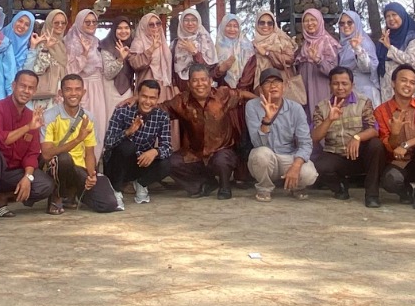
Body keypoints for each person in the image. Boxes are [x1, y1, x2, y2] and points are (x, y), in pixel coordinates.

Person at [167, 64, 253, 200]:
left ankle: (224, 186)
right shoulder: (181, 101)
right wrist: (137, 99)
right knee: (169, 162)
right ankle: (204, 183)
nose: (200, 84)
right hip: (195, 154)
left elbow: (242, 94)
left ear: (210, 81)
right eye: (195, 80)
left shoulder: (222, 94)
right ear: (189, 83)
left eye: (203, 79)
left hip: (221, 151)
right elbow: (160, 109)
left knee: (222, 160)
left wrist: (260, 102)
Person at [0, 68, 57, 208]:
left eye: (31, 88)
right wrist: (27, 127)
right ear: (13, 86)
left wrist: (27, 177)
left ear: (34, 91)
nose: (26, 91)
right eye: (23, 86)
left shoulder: (30, 116)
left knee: (45, 185)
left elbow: (32, 154)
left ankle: (2, 198)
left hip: (11, 174)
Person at [311, 67, 383, 205]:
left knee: (376, 145)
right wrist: (329, 120)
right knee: (318, 167)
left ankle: (372, 195)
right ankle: (340, 188)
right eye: (335, 83)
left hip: (359, 155)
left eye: (344, 83)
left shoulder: (363, 102)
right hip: (336, 154)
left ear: (352, 85)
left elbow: (374, 130)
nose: (340, 87)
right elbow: (315, 137)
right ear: (330, 85)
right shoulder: (322, 107)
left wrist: (357, 138)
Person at [43, 73, 116, 212]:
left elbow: (89, 153)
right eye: (68, 89)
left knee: (108, 204)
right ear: (61, 93)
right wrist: (77, 139)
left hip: (79, 169)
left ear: (83, 92)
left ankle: (73, 194)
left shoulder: (88, 118)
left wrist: (91, 175)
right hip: (56, 167)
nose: (73, 93)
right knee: (64, 159)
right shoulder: (50, 116)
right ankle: (57, 197)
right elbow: (46, 154)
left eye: (77, 89)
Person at [243, 68, 317, 202]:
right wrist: (266, 120)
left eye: (277, 82)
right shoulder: (252, 106)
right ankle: (264, 188)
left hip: (289, 156)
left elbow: (306, 143)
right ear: (261, 89)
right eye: (267, 83)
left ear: (284, 86)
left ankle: (295, 186)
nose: (273, 86)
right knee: (260, 155)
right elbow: (258, 144)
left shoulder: (296, 108)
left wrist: (295, 166)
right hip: (268, 157)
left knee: (309, 174)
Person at [373, 65, 415, 208]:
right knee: (390, 181)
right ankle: (406, 191)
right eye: (404, 80)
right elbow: (387, 145)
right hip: (398, 162)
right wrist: (395, 134)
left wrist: (406, 144)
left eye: (412, 82)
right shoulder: (381, 111)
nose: (408, 85)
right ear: (393, 83)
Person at [103, 79, 176, 204]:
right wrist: (128, 131)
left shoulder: (161, 116)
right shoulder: (122, 111)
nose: (148, 102)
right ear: (138, 95)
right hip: (117, 164)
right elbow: (108, 143)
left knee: (168, 163)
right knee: (127, 147)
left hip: (141, 163)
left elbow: (167, 146)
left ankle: (141, 183)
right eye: (144, 96)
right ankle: (116, 190)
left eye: (152, 98)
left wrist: (155, 151)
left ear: (157, 99)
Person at [66, 9, 111, 139]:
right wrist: (84, 54)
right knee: (81, 124)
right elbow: (70, 71)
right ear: (80, 23)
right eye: (87, 22)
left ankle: (95, 158)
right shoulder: (71, 42)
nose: (91, 25)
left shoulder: (96, 41)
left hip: (98, 88)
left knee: (99, 123)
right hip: (82, 88)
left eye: (94, 22)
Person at [295, 7, 341, 119]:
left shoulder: (328, 42)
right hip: (305, 87)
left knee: (321, 116)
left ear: (320, 21)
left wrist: (318, 60)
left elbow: (333, 71)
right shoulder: (305, 44)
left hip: (321, 86)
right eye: (306, 20)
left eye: (313, 20)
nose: (309, 23)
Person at [376, 2, 415, 100]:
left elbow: (411, 61)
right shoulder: (386, 38)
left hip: (408, 90)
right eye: (387, 16)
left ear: (402, 15)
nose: (391, 19)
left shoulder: (413, 38)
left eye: (394, 15)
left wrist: (390, 47)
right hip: (388, 91)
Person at [250, 10, 302, 101]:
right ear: (257, 24)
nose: (266, 26)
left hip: (282, 86)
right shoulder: (252, 44)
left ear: (274, 25)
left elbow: (290, 59)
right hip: (261, 87)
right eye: (262, 22)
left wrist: (267, 53)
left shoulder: (281, 40)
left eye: (270, 23)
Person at [336, 11, 382, 103]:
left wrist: (357, 49)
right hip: (349, 92)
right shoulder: (342, 45)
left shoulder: (364, 42)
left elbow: (368, 68)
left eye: (350, 22)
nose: (345, 25)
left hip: (365, 92)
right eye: (342, 23)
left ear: (356, 23)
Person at [127, 12, 175, 99]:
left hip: (163, 85)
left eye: (158, 23)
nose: (156, 27)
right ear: (144, 26)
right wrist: (151, 49)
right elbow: (135, 64)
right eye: (151, 25)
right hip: (146, 85)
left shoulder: (163, 43)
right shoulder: (138, 43)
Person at [29, 9, 70, 110]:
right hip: (45, 96)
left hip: (60, 93)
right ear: (49, 23)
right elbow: (37, 69)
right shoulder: (41, 42)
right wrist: (46, 48)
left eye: (63, 23)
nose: (60, 25)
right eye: (56, 23)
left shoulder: (63, 44)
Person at [98, 17, 136, 118]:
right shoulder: (106, 45)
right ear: (114, 29)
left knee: (127, 120)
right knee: (112, 119)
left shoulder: (133, 45)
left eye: (126, 28)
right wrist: (120, 59)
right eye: (119, 28)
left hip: (128, 89)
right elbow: (108, 74)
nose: (123, 31)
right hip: (111, 89)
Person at [172, 7, 216, 85]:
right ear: (181, 22)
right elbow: (171, 69)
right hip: (181, 87)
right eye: (186, 20)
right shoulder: (175, 44)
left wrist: (195, 52)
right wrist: (174, 86)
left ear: (198, 21)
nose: (190, 23)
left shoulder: (206, 41)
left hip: (201, 87)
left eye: (193, 20)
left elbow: (210, 68)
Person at [214, 13, 252, 89]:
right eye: (228, 26)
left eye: (235, 26)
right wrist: (221, 69)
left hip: (245, 89)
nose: (232, 29)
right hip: (223, 89)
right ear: (223, 27)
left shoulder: (247, 47)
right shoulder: (216, 48)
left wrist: (240, 88)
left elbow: (251, 69)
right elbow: (212, 73)